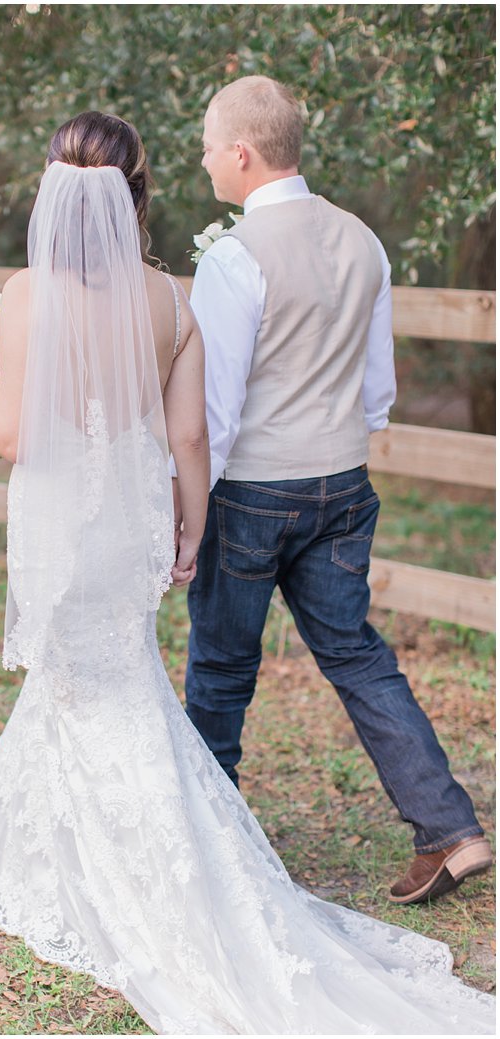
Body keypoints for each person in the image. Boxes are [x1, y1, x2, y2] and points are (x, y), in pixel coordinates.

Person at [0, 111, 494, 1033]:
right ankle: (108, 832)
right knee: (137, 681)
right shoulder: (170, 297)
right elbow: (190, 432)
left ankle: (149, 857)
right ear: (133, 192)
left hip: (70, 528)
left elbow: (12, 434)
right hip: (145, 523)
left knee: (117, 686)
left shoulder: (28, 292)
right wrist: (186, 524)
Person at [184, 74, 493, 907]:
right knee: (358, 657)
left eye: (210, 146)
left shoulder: (233, 257)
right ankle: (451, 828)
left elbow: (216, 410)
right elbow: (378, 388)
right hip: (343, 480)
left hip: (252, 488)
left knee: (219, 667)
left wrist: (190, 510)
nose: (206, 160)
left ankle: (213, 849)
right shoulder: (364, 239)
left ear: (242, 153)